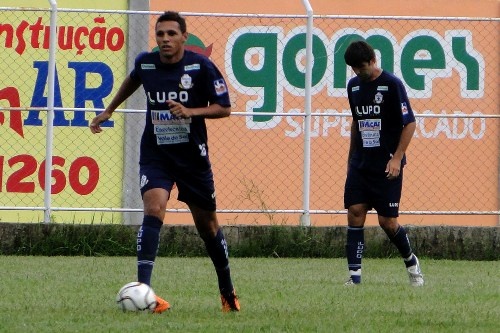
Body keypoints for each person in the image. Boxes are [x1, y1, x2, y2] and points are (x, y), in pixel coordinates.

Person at [90, 11, 240, 312]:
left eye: (171, 34)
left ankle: (227, 291)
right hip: (156, 154)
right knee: (154, 207)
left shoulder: (201, 67)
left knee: (208, 226)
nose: (165, 39)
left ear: (184, 36)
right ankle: (144, 292)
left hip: (192, 159)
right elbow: (133, 81)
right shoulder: (147, 63)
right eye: (160, 34)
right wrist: (109, 110)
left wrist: (191, 112)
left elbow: (224, 108)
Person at [343, 40, 424, 287]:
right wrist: (350, 159)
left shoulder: (392, 85)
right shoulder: (354, 87)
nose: (358, 72)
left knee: (387, 223)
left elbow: (409, 122)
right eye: (354, 68)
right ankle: (354, 278)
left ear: (372, 61)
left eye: (361, 67)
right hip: (361, 164)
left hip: (387, 166)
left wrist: (397, 157)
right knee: (355, 213)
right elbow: (357, 122)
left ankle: (411, 262)